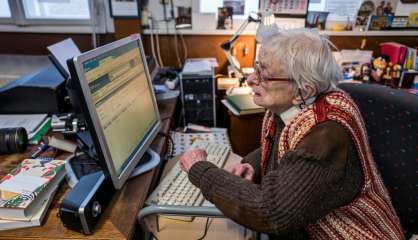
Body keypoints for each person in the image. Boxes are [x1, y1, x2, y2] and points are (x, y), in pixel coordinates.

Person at [179, 29, 404, 239]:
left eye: (264, 75)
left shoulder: (326, 134)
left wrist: (200, 169)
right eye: (257, 67)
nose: (251, 80)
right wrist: (252, 165)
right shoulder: (300, 107)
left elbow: (271, 212)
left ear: (303, 91)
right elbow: (288, 148)